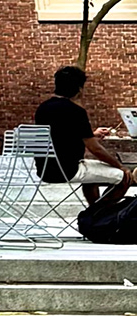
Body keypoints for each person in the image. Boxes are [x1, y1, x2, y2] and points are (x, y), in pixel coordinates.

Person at [33, 65, 131, 211]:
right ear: (79, 88)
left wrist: (92, 134)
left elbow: (59, 134)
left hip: (45, 170)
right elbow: (95, 149)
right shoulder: (76, 111)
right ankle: (98, 214)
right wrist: (120, 166)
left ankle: (94, 213)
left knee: (93, 179)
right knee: (124, 178)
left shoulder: (43, 108)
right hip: (68, 170)